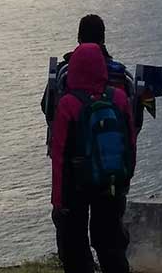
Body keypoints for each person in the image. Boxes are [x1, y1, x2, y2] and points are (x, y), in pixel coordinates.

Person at [50, 42, 137, 273]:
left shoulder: (68, 104)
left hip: (75, 187)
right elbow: (130, 143)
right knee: (111, 245)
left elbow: (58, 156)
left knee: (76, 248)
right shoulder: (118, 98)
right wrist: (124, 181)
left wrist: (58, 201)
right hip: (111, 183)